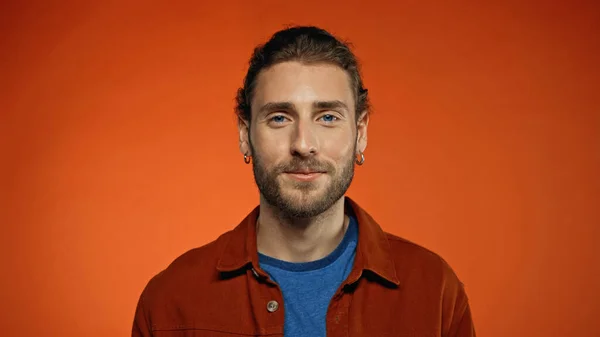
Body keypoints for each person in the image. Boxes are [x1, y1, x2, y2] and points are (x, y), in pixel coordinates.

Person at [132, 25, 476, 337]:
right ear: (244, 133)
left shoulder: (435, 293)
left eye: (327, 117)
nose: (303, 144)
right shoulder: (171, 300)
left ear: (360, 132)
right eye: (279, 117)